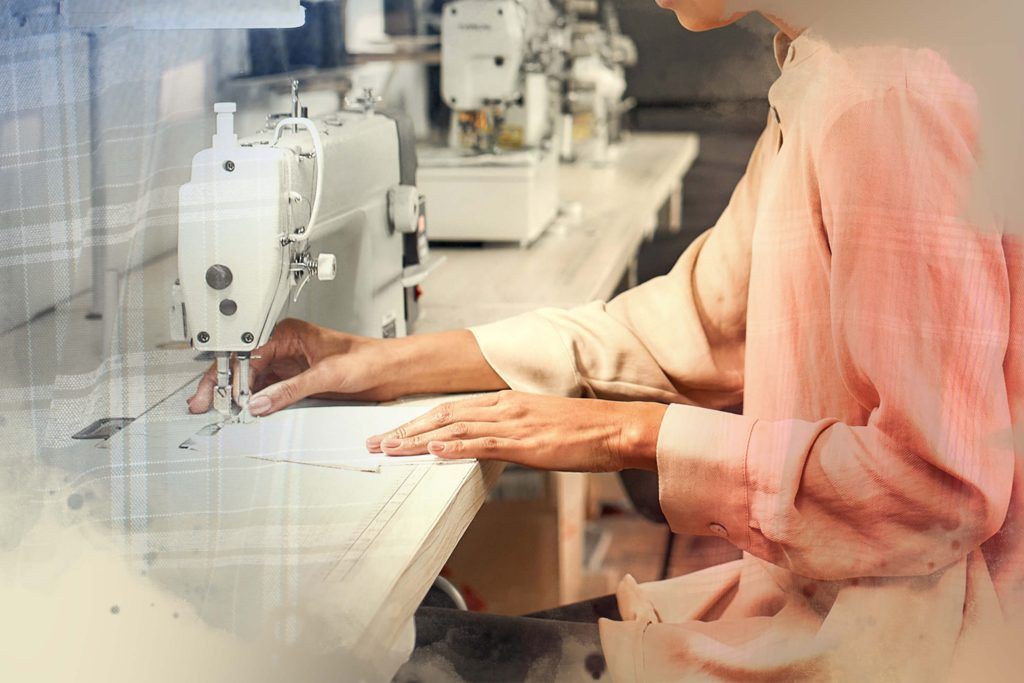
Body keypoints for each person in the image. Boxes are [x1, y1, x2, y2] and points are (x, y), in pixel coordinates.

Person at [189, 1, 1023, 679]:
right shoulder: (828, 69)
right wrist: (373, 359)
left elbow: (938, 486)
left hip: (921, 642)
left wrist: (632, 433)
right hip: (852, 604)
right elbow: (692, 324)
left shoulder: (887, 93)